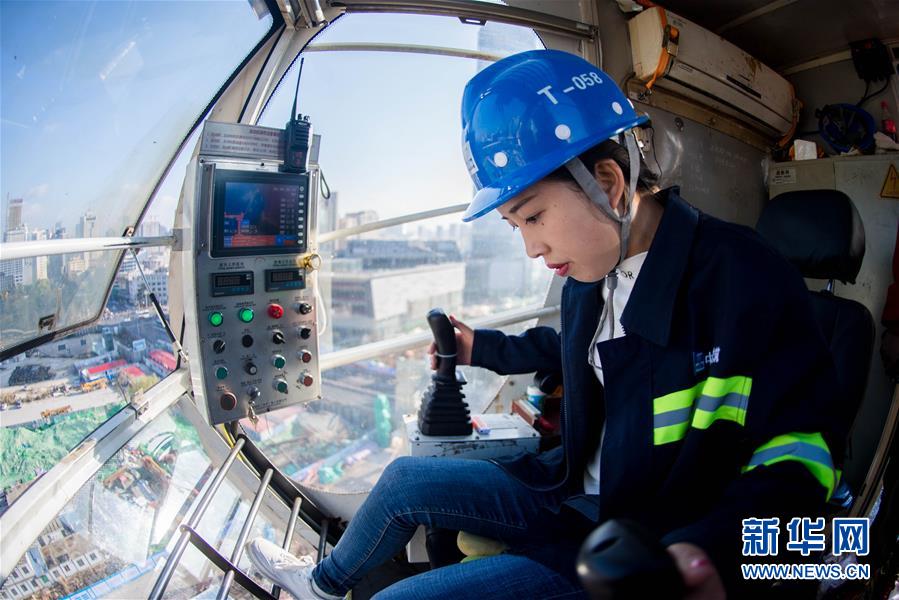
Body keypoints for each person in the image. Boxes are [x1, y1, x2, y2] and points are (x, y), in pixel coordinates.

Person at [246, 49, 841, 599]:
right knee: (403, 479)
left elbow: (802, 455)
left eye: (533, 217)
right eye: (515, 225)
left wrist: (709, 553)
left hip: (637, 543)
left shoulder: (741, 277)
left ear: (607, 184)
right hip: (566, 492)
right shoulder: (592, 272)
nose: (532, 248)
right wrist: (482, 348)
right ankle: (321, 586)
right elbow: (579, 352)